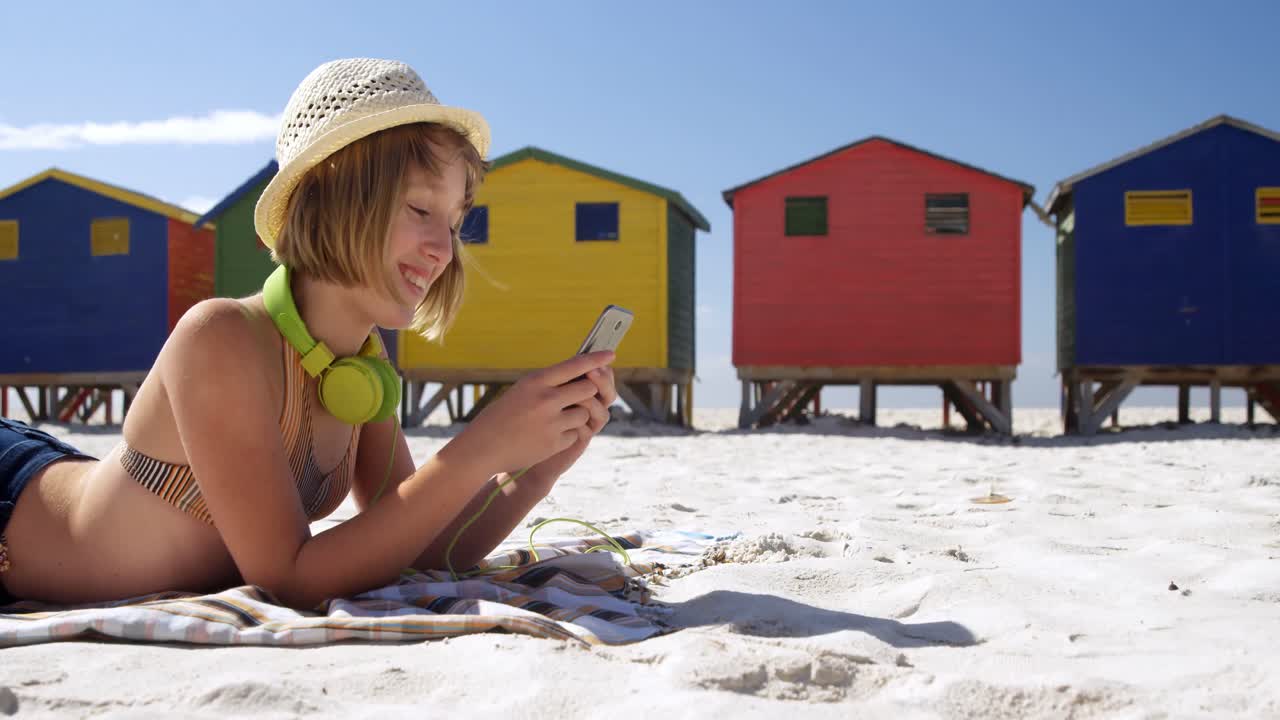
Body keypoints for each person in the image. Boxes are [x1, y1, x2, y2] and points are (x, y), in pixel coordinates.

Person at [0, 58, 617, 609]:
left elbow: (416, 545)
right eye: (420, 210)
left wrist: (534, 470)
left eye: (455, 225)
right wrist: (479, 446)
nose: (442, 250)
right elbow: (290, 578)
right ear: (329, 197)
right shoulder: (221, 337)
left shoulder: (360, 363)